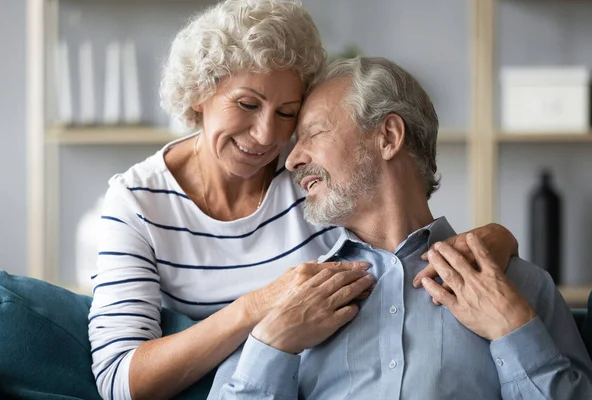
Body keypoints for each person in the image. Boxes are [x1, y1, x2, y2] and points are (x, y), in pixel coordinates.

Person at [88, 1, 517, 399]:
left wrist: (496, 241)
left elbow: (397, 237)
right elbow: (119, 380)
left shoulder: (304, 176)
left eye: (287, 113)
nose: (266, 137)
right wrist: (257, 307)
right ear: (201, 92)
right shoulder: (137, 202)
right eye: (247, 103)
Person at [209, 57, 592, 400]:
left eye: (313, 133)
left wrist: (514, 330)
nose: (292, 160)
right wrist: (272, 345)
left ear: (388, 137)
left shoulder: (521, 287)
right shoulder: (289, 301)